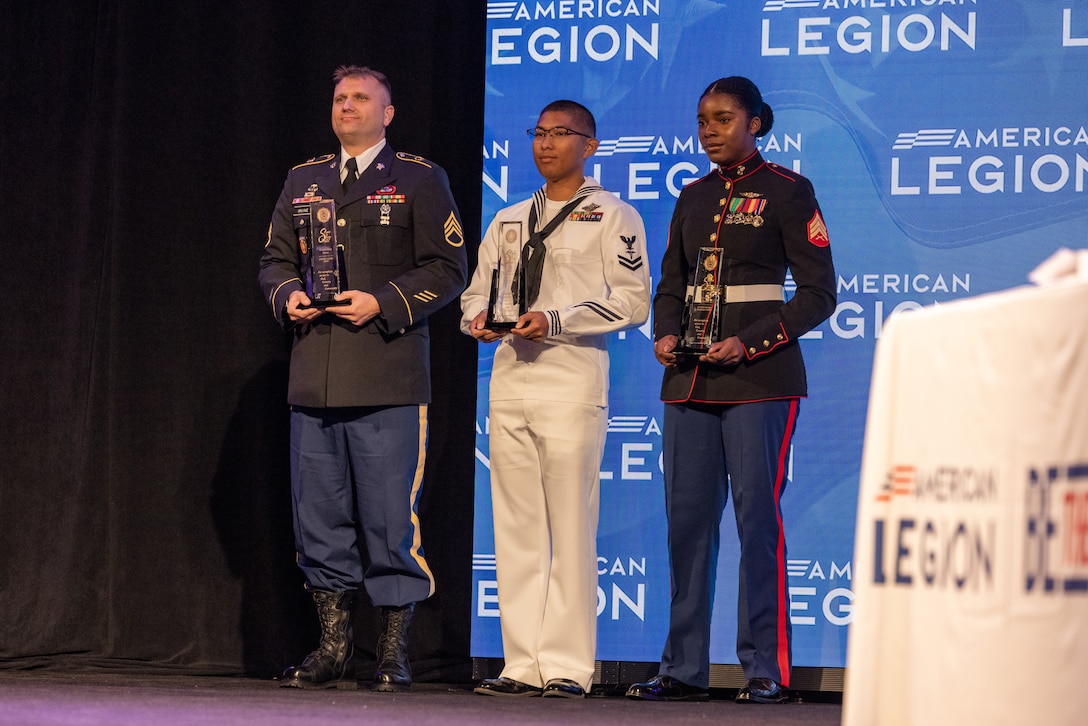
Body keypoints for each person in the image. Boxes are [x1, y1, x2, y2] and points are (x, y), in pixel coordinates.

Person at [625, 77, 836, 704]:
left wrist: (751, 341)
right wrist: (663, 333)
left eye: (723, 118)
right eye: (702, 119)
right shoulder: (690, 196)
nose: (709, 129)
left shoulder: (789, 192)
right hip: (687, 381)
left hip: (760, 380)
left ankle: (765, 669)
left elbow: (821, 295)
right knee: (685, 523)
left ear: (757, 124)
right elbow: (670, 285)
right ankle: (682, 669)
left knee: (755, 521)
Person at [258, 65, 468, 692]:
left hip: (386, 371)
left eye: (360, 99)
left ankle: (392, 653)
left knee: (387, 520)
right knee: (317, 519)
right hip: (314, 374)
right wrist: (288, 293)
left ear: (388, 113)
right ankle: (332, 648)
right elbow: (273, 258)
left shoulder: (419, 177)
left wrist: (383, 301)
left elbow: (448, 264)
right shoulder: (304, 179)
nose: (347, 107)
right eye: (340, 98)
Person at [461, 100, 651, 698]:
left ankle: (568, 665)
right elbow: (474, 294)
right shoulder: (510, 218)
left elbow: (632, 300)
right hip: (509, 377)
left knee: (570, 525)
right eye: (538, 133)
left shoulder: (613, 215)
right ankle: (520, 663)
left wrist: (557, 318)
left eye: (560, 134)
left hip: (571, 380)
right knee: (515, 526)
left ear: (589, 145)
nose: (546, 144)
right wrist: (481, 322)